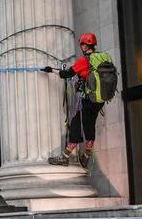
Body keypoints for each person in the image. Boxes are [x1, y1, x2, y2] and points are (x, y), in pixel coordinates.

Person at [41, 33, 116, 168]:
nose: (81, 47)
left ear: (85, 45)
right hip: (99, 101)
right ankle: (86, 157)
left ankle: (65, 157)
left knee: (75, 124)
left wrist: (51, 70)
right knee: (89, 127)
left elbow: (67, 74)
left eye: (81, 44)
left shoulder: (85, 60)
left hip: (86, 99)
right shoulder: (104, 57)